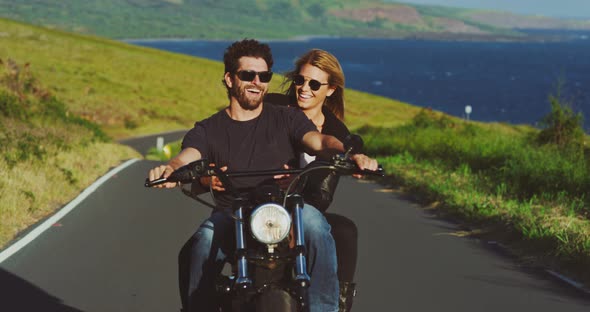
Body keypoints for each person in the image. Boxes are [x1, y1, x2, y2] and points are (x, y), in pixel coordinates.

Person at [147, 39, 378, 312]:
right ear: (230, 79)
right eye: (247, 75)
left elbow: (320, 141)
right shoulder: (208, 129)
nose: (257, 81)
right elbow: (188, 156)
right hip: (234, 213)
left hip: (288, 209)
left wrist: (350, 154)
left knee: (317, 226)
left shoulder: (288, 118)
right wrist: (171, 170)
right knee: (203, 241)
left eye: (264, 75)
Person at [266, 49, 359, 312]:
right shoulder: (272, 106)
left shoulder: (336, 133)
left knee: (344, 231)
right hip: (257, 203)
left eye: (315, 83)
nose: (304, 88)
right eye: (300, 80)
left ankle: (335, 306)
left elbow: (322, 195)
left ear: (330, 90)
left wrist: (296, 194)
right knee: (201, 243)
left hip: (303, 206)